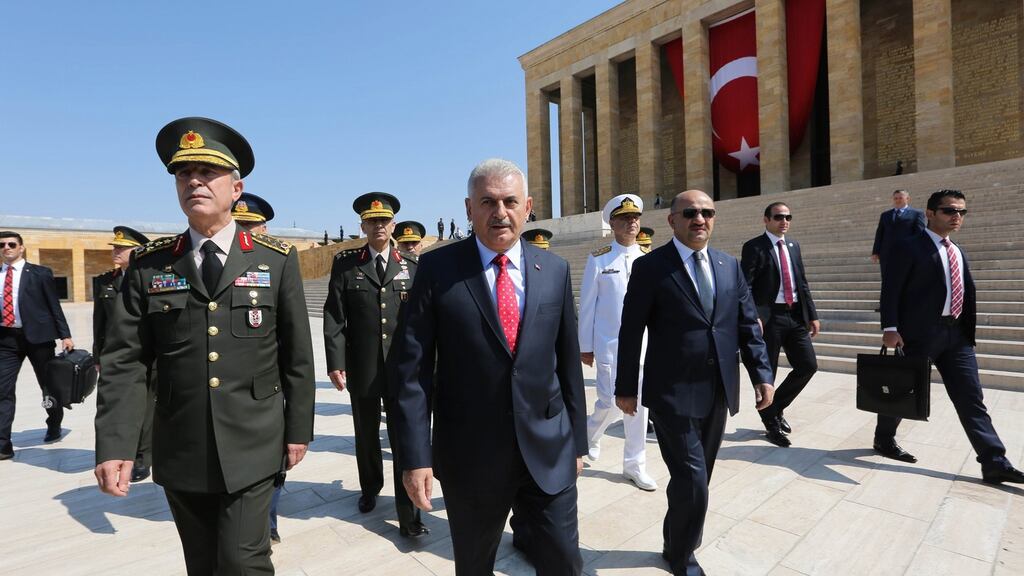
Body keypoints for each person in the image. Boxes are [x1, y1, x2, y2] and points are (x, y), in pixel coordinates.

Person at [94, 117, 316, 574]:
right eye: (183, 174)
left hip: (254, 438)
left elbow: (296, 354)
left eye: (207, 173)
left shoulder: (275, 261)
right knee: (202, 562)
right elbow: (125, 361)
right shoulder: (149, 265)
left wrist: (298, 429)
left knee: (242, 560)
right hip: (182, 443)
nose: (193, 181)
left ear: (236, 188)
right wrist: (115, 444)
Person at [390, 158, 586, 575]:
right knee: (475, 565)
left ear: (528, 206)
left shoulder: (553, 269)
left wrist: (578, 443)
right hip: (472, 456)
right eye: (488, 202)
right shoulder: (438, 271)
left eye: (510, 201)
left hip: (548, 451)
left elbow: (568, 362)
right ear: (468, 208)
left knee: (564, 562)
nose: (500, 212)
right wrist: (415, 456)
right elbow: (412, 371)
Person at [616, 190, 774, 575]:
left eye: (707, 212)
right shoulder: (651, 267)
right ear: (672, 220)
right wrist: (624, 387)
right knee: (693, 479)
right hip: (672, 392)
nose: (699, 219)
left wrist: (762, 375)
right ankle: (684, 555)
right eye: (690, 212)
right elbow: (631, 330)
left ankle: (675, 539)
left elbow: (747, 326)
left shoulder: (728, 265)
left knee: (694, 478)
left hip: (718, 389)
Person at [875, 189, 1024, 484]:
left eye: (961, 212)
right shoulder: (907, 246)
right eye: (949, 211)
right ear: (930, 213)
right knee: (905, 390)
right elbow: (891, 289)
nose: (957, 217)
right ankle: (884, 438)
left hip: (956, 336)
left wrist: (966, 331)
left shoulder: (957, 250)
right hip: (917, 335)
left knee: (971, 398)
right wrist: (890, 328)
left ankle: (994, 460)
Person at [323, 193, 426, 537]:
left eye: (384, 221)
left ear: (393, 225)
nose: (378, 226)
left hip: (402, 372)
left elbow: (423, 321)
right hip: (363, 367)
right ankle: (370, 488)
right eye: (372, 221)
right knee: (366, 435)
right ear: (363, 226)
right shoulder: (346, 264)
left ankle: (409, 513)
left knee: (404, 439)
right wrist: (335, 361)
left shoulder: (411, 265)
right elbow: (335, 316)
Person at [579, 194, 657, 491]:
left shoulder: (648, 259)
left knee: (638, 408)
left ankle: (634, 465)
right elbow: (588, 305)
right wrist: (585, 345)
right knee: (610, 402)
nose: (632, 222)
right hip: (609, 344)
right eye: (624, 218)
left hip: (644, 347)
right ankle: (589, 437)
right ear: (612, 223)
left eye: (635, 217)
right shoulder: (600, 258)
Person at [231, 191, 288, 543]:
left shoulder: (279, 264)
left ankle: (268, 521)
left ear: (265, 228)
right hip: (230, 386)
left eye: (252, 226)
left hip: (271, 384)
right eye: (240, 225)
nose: (245, 232)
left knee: (274, 463)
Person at [741, 202, 819, 448]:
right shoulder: (754, 247)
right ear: (766, 220)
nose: (784, 221)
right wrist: (753, 316)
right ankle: (771, 423)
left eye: (787, 217)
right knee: (768, 372)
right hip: (769, 318)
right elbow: (746, 285)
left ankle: (775, 408)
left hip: (795, 316)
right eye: (778, 217)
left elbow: (802, 282)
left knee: (808, 365)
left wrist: (812, 315)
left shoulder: (794, 246)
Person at [0, 232, 74, 459]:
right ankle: (3, 444)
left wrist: (65, 335)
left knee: (48, 386)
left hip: (39, 338)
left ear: (21, 248)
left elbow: (54, 305)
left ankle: (53, 423)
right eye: (2, 245)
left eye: (12, 244)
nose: (6, 248)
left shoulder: (40, 273)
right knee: (2, 390)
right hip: (6, 339)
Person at [93, 226, 153, 481]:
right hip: (115, 354)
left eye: (122, 248)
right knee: (118, 402)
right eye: (115, 247)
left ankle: (143, 456)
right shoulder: (106, 281)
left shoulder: (150, 278)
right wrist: (98, 356)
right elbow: (100, 323)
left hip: (146, 353)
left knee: (147, 407)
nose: (116, 251)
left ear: (137, 251)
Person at [871, 190, 925, 270]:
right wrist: (875, 252)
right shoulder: (885, 215)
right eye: (895, 198)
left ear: (907, 199)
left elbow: (920, 234)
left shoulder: (916, 213)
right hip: (887, 254)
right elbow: (879, 234)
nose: (898, 200)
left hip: (907, 253)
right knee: (887, 280)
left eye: (900, 198)